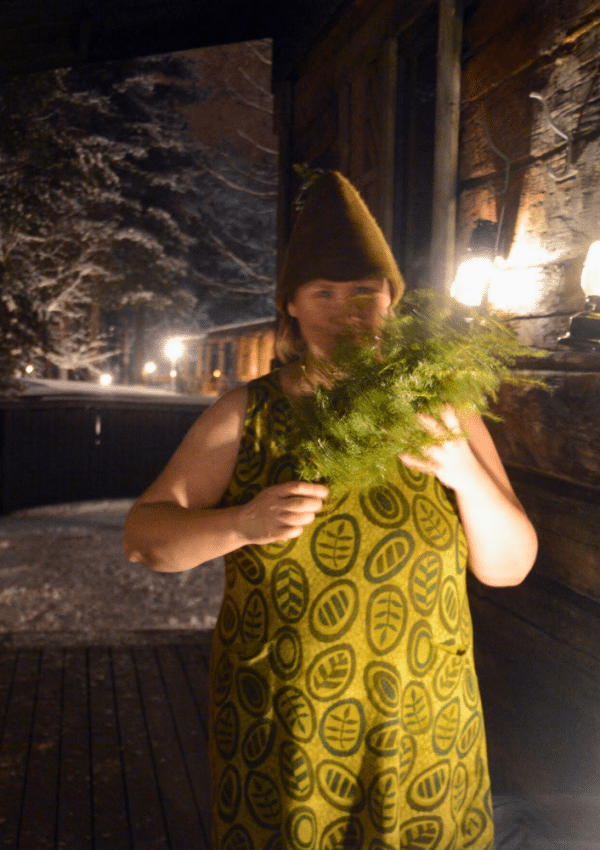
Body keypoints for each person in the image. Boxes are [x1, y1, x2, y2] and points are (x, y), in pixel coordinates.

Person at [124, 171, 537, 850]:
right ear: (291, 303)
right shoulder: (248, 415)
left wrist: (465, 473)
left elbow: (509, 567)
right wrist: (239, 523)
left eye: (364, 291)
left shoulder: (440, 409)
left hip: (423, 726)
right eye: (323, 291)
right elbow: (145, 538)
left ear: (391, 300)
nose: (345, 309)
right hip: (286, 725)